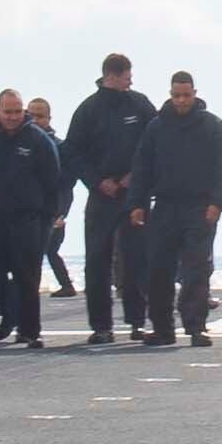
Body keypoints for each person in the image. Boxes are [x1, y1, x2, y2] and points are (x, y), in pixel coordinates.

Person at [129, 70, 222, 346]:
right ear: (170, 94)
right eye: (176, 95)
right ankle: (163, 329)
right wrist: (137, 204)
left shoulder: (213, 126)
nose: (181, 100)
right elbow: (142, 168)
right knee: (159, 270)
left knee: (196, 270)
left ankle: (196, 326)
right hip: (165, 206)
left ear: (194, 94)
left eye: (186, 95)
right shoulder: (156, 127)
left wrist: (218, 203)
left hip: (200, 208)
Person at [65, 53, 160, 342]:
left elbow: (155, 142)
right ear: (111, 76)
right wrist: (96, 181)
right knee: (97, 260)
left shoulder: (140, 104)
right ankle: (101, 326)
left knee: (136, 258)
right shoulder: (88, 110)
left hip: (134, 195)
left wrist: (137, 176)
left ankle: (137, 321)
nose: (130, 82)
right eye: (126, 77)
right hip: (102, 195)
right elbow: (72, 152)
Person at [0, 88, 64, 346]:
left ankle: (29, 331)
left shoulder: (38, 140)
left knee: (27, 278)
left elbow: (53, 181)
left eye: (18, 111)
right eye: (8, 112)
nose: (13, 117)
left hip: (26, 221)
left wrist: (47, 218)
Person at [29, 96, 75, 297]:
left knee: (49, 250)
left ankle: (66, 285)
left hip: (53, 210)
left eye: (40, 116)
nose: (35, 120)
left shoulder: (60, 147)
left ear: (49, 118)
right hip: (30, 210)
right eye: (31, 115)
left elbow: (67, 184)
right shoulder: (21, 143)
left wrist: (61, 213)